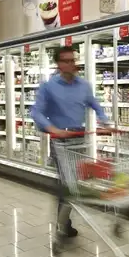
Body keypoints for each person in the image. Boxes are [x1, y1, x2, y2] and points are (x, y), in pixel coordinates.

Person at [31, 46, 110, 239]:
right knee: (68, 184)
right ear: (58, 64)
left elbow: (94, 103)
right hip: (60, 140)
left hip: (79, 138)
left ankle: (64, 220)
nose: (71, 64)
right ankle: (63, 225)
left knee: (73, 184)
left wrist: (104, 121)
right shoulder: (48, 87)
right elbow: (36, 112)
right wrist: (51, 129)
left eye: (73, 60)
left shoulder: (84, 85)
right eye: (66, 61)